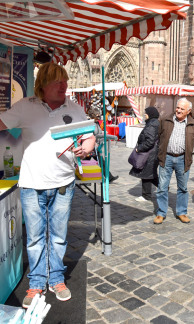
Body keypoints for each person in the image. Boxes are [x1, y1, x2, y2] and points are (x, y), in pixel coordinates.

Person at [0, 63, 96, 308]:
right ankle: (36, 283)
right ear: (42, 84)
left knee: (58, 237)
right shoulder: (25, 107)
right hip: (32, 183)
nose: (63, 85)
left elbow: (89, 133)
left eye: (64, 81)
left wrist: (89, 145)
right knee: (34, 238)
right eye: (57, 81)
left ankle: (56, 279)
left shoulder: (73, 107)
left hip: (64, 182)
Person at [154, 98, 194, 224]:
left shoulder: (193, 124)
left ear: (188, 111)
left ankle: (182, 212)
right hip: (166, 157)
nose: (178, 110)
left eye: (182, 109)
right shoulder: (165, 120)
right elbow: (159, 136)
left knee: (183, 188)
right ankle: (161, 213)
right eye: (177, 107)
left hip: (183, 159)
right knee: (162, 187)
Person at [130, 107, 159, 202]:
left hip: (149, 154)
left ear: (150, 114)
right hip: (152, 153)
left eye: (145, 113)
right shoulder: (153, 123)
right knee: (151, 174)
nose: (144, 115)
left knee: (146, 174)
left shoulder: (152, 125)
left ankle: (146, 195)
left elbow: (150, 141)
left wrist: (140, 148)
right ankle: (164, 188)